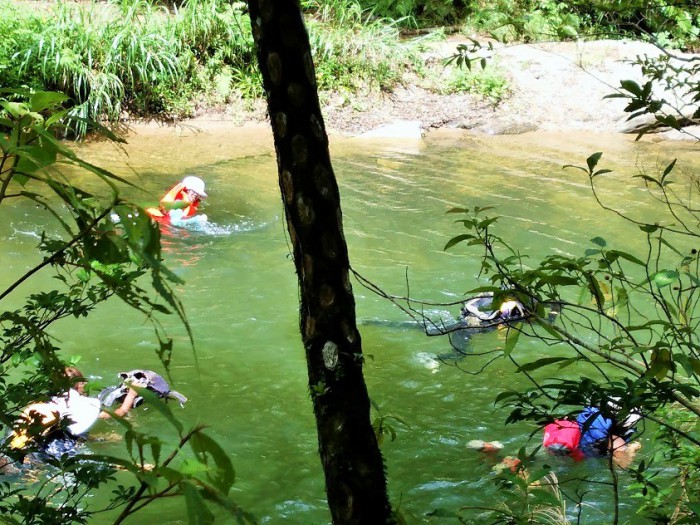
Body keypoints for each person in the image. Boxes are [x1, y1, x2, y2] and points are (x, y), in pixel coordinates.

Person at [9, 367, 102, 458]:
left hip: (14, 445)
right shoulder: (61, 411)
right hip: (38, 453)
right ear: (79, 384)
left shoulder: (37, 405)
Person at [542, 403, 642, 465]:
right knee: (624, 454)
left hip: (560, 449)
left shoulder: (566, 427)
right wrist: (630, 450)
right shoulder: (602, 436)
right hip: (586, 449)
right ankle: (632, 447)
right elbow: (623, 463)